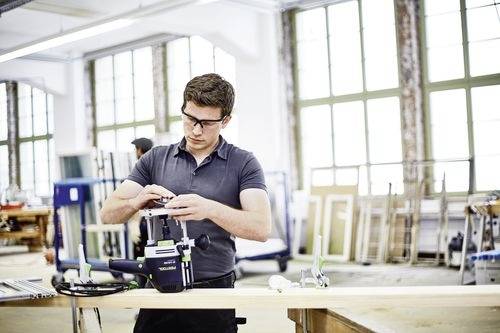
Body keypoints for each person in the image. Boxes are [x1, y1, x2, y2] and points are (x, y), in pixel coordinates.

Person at [100, 73, 272, 333]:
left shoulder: (243, 163)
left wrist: (210, 208)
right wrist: (137, 201)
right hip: (158, 290)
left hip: (214, 293)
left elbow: (261, 228)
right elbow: (107, 215)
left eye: (207, 123)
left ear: (225, 121)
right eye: (190, 119)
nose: (196, 130)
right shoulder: (155, 159)